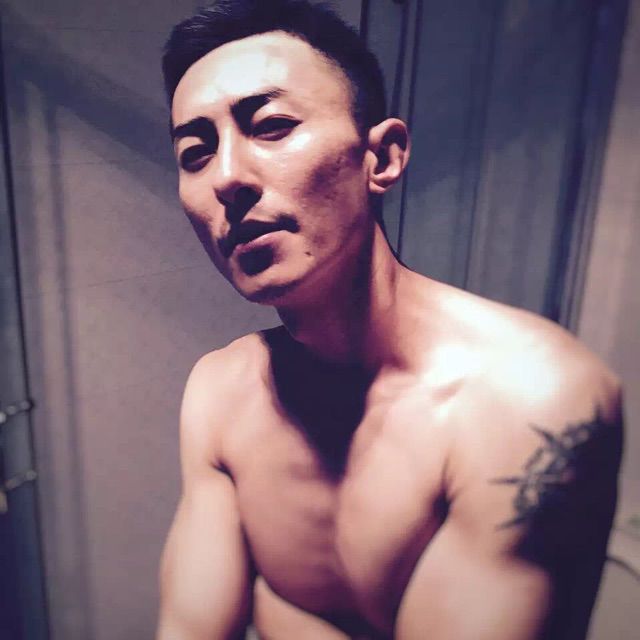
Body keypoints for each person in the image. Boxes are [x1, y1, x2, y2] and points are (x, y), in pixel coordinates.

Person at [156, 1, 623, 638]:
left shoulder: (530, 401)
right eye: (195, 153)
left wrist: (276, 614)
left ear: (382, 158)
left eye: (271, 126)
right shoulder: (219, 393)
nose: (227, 177)